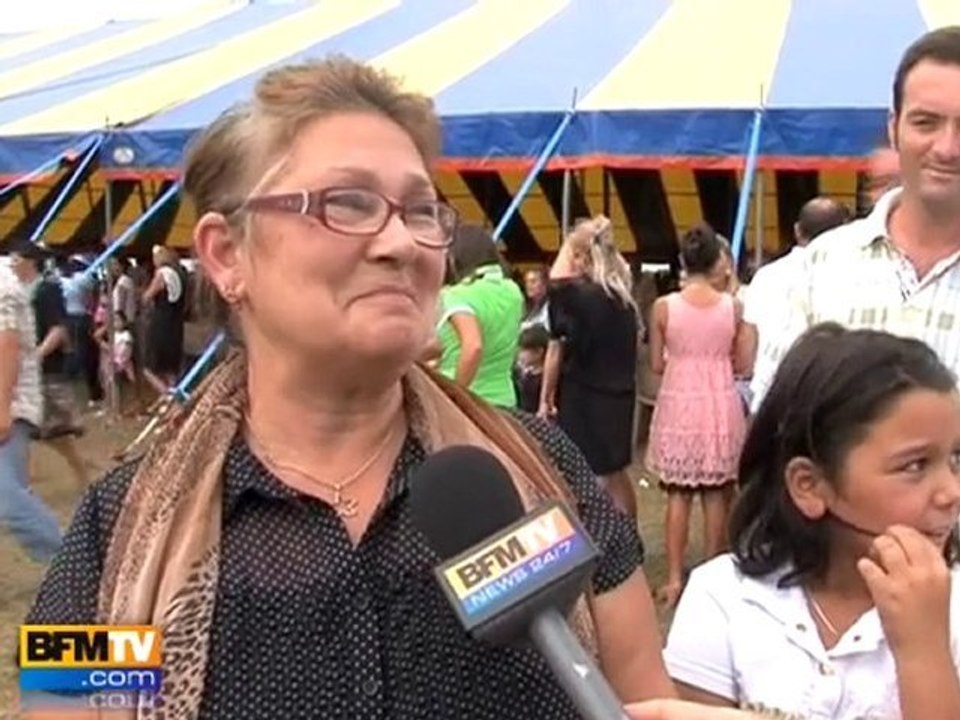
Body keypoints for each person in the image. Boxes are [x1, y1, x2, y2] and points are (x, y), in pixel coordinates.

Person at [25, 57, 674, 717]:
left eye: (420, 211)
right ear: (226, 254)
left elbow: (643, 696)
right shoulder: (123, 530)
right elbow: (65, 704)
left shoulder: (538, 470)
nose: (401, 243)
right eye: (347, 203)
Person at [665, 324, 960, 720]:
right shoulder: (723, 600)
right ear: (809, 486)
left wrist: (924, 649)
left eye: (956, 460)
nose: (951, 492)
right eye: (914, 466)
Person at [752, 26, 960, 408]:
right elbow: (776, 422)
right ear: (894, 129)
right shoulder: (821, 265)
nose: (947, 148)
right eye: (926, 123)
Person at [646, 224, 751, 608]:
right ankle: (711, 576)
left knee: (678, 493)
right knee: (716, 493)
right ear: (716, 261)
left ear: (683, 262)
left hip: (679, 399)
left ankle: (675, 578)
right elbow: (744, 362)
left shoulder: (664, 307)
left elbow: (656, 363)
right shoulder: (732, 307)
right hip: (718, 399)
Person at [540, 215, 641, 522]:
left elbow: (555, 281)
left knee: (588, 476)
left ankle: (595, 535)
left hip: (586, 397)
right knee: (615, 474)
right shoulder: (622, 300)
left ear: (581, 257)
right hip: (620, 396)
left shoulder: (581, 299)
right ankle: (629, 531)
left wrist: (573, 240)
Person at [744, 197, 849, 413]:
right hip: (827, 397)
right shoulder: (851, 278)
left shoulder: (766, 275)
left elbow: (749, 337)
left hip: (767, 393)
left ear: (797, 231)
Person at [9, 239, 91, 488]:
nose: (11, 263)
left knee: (55, 435)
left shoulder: (46, 291)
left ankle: (84, 480)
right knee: (21, 430)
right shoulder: (18, 291)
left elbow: (58, 330)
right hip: (23, 374)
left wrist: (35, 357)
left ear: (30, 261)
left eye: (16, 258)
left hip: (44, 373)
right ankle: (23, 485)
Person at [0, 266, 61, 562]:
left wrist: (2, 406)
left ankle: (72, 567)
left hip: (10, 405)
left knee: (7, 498)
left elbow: (6, 344)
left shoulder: (2, 283)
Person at [436, 223, 524, 406]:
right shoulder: (513, 291)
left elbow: (473, 346)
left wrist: (455, 394)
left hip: (467, 401)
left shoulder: (456, 295)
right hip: (504, 397)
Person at [142, 245, 188, 395]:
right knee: (170, 370)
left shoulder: (162, 274)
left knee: (148, 368)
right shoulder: (181, 273)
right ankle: (173, 396)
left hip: (161, 322)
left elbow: (146, 297)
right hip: (176, 323)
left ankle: (167, 395)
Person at [513, 323, 549, 414]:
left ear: (539, 352)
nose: (519, 354)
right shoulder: (525, 375)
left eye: (524, 350)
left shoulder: (544, 380)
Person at [520, 264, 550, 331]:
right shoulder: (527, 306)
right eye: (526, 282)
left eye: (533, 281)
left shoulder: (550, 306)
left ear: (544, 284)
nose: (528, 285)